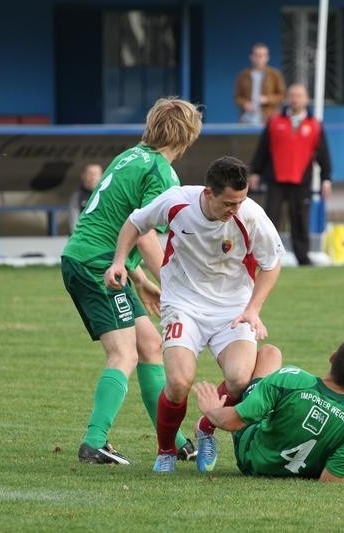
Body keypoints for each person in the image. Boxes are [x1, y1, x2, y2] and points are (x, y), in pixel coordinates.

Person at [107, 155, 285, 474]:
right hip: (183, 304)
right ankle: (166, 451)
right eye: (229, 203)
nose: (235, 209)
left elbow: (271, 264)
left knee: (240, 379)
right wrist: (119, 261)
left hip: (232, 309)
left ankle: (207, 427)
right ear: (208, 193)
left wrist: (253, 308)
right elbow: (135, 223)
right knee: (178, 382)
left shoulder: (252, 216)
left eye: (241, 201)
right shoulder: (177, 202)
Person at [61, 97, 203, 466]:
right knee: (123, 353)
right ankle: (94, 442)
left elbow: (119, 221)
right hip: (97, 266)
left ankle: (175, 440)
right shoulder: (160, 172)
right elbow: (143, 233)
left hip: (93, 259)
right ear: (189, 135)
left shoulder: (130, 156)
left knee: (150, 344)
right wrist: (175, 287)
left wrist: (140, 279)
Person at [193, 334, 344, 482]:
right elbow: (330, 479)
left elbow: (233, 422)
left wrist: (211, 411)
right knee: (270, 359)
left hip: (251, 459)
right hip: (297, 468)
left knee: (270, 353)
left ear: (332, 357)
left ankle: (206, 425)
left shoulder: (291, 379)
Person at [249, 83, 332, 266]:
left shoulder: (315, 125)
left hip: (301, 181)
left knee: (300, 221)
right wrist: (255, 172)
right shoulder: (275, 121)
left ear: (306, 99)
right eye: (292, 95)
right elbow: (262, 150)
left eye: (299, 95)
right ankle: (265, 258)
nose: (295, 99)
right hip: (276, 180)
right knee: (269, 220)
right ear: (287, 98)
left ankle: (303, 258)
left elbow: (323, 154)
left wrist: (326, 179)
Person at [233, 43, 286, 124]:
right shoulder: (243, 75)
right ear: (251, 57)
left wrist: (267, 99)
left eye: (262, 56)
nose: (259, 58)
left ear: (267, 57)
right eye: (256, 55)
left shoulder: (275, 75)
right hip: (247, 118)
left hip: (269, 117)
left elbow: (282, 95)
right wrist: (245, 104)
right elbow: (237, 97)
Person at [68, 163, 103, 233]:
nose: (93, 177)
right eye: (90, 173)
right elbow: (73, 220)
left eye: (96, 174)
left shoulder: (107, 195)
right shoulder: (77, 196)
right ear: (83, 176)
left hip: (103, 237)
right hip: (83, 237)